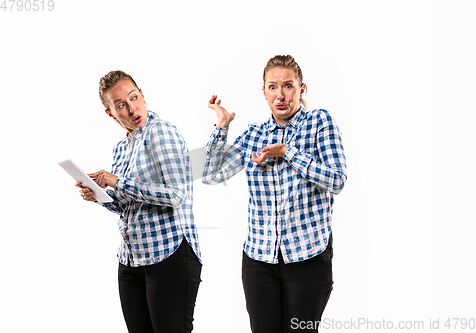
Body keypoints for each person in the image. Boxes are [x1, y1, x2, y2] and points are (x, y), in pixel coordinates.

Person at [202, 55, 347, 333]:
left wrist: (288, 153)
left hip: (307, 259)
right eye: (272, 87)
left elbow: (337, 180)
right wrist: (221, 127)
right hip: (259, 260)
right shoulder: (253, 134)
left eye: (288, 86)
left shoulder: (319, 122)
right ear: (264, 91)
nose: (280, 95)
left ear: (301, 89)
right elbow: (211, 175)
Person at [75, 70, 202, 333]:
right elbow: (126, 206)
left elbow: (177, 195)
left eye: (134, 97)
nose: (132, 108)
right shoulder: (121, 148)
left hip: (169, 255)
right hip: (131, 260)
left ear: (142, 95)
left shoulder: (161, 132)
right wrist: (99, 197)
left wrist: (116, 181)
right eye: (121, 105)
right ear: (110, 113)